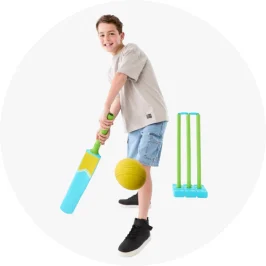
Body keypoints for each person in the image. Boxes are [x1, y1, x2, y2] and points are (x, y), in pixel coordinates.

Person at [95, 14, 168, 256]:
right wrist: (106, 125)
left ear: (121, 35)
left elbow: (121, 79)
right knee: (136, 168)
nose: (107, 38)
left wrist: (104, 107)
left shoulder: (131, 52)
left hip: (151, 118)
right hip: (134, 123)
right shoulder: (111, 69)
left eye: (111, 33)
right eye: (102, 35)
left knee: (141, 169)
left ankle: (142, 226)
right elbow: (119, 98)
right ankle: (140, 195)